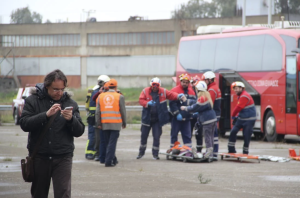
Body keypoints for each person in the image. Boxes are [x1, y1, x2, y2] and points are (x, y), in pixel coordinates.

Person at [19, 69, 85, 198]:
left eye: (62, 89)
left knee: (63, 194)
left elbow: (79, 131)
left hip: (63, 157)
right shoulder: (33, 100)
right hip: (39, 157)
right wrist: (45, 115)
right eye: (55, 89)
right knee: (39, 194)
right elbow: (24, 124)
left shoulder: (70, 103)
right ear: (46, 86)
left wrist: (71, 120)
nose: (59, 93)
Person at [136, 77, 181, 160]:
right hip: (147, 118)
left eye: (157, 85)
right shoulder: (145, 91)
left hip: (158, 119)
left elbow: (171, 95)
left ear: (159, 85)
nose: (155, 86)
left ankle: (155, 154)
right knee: (143, 137)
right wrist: (147, 103)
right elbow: (141, 100)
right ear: (151, 84)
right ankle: (141, 153)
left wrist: (178, 96)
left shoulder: (163, 91)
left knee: (156, 137)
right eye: (154, 85)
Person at [180, 81, 217, 159]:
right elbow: (196, 102)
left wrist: (185, 108)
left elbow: (195, 107)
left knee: (207, 138)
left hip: (207, 120)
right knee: (211, 137)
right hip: (212, 119)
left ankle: (209, 154)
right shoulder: (206, 95)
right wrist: (186, 100)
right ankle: (211, 153)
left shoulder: (202, 98)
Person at [95, 79, 126, 167]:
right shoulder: (119, 96)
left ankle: (113, 159)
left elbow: (98, 112)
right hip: (116, 123)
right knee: (112, 143)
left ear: (108, 87)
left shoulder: (101, 96)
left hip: (105, 123)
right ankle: (108, 161)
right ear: (116, 87)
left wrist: (98, 123)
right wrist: (124, 122)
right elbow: (123, 111)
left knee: (107, 142)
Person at [228, 81, 256, 154]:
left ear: (241, 88)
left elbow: (238, 107)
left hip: (249, 120)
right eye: (234, 89)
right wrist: (237, 116)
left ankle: (245, 152)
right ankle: (231, 149)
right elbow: (242, 109)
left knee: (246, 136)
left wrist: (233, 115)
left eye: (236, 88)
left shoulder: (244, 96)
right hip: (242, 118)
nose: (235, 90)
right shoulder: (240, 95)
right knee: (233, 131)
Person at [169, 74, 196, 148]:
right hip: (176, 118)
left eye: (186, 82)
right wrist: (177, 114)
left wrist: (193, 113)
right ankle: (173, 150)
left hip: (187, 119)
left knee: (187, 136)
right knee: (174, 136)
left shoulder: (191, 91)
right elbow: (172, 104)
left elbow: (194, 103)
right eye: (183, 82)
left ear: (189, 83)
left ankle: (188, 151)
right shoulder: (174, 90)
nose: (185, 84)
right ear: (180, 81)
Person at [200, 71, 221, 161]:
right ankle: (214, 153)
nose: (204, 82)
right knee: (214, 135)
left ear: (209, 80)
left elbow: (208, 103)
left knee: (212, 135)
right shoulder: (215, 87)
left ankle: (212, 153)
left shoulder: (212, 90)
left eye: (205, 80)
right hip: (216, 113)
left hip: (213, 114)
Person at [89, 75, 110, 161]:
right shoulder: (96, 92)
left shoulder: (110, 92)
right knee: (97, 137)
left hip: (105, 117)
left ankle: (102, 154)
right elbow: (94, 100)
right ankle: (97, 154)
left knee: (105, 138)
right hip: (98, 117)